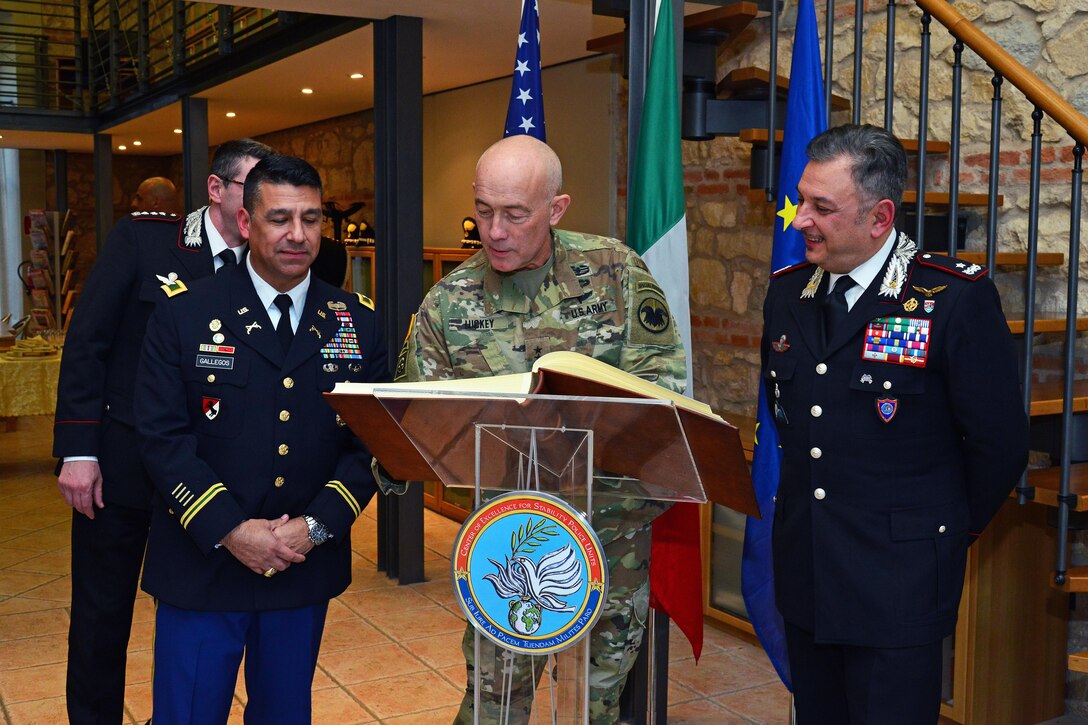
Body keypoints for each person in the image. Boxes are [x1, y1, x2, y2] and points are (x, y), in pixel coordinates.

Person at [390, 134, 685, 724]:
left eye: (515, 214)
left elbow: (666, 394)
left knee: (594, 706)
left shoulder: (615, 273)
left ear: (556, 209)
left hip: (610, 539)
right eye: (483, 210)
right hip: (508, 546)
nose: (494, 231)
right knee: (493, 705)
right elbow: (415, 427)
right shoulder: (446, 303)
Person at [760, 124, 1028, 723]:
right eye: (802, 199)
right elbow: (790, 421)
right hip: (807, 573)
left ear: (880, 217)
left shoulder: (951, 298)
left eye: (821, 207)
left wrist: (938, 532)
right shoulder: (787, 292)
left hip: (898, 582)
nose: (800, 219)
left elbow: (999, 446)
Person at [133, 154, 388, 724]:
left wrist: (314, 526)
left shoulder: (357, 321)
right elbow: (160, 435)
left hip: (300, 563)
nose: (298, 235)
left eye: (312, 219)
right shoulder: (185, 314)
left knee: (284, 715)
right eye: (279, 219)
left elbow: (370, 444)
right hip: (203, 562)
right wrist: (230, 529)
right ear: (246, 224)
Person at [52, 138, 274, 724]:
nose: (263, 204)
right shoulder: (145, 241)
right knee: (103, 615)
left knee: (194, 617)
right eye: (250, 188)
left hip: (208, 480)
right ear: (217, 190)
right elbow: (88, 346)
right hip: (122, 469)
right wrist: (78, 450)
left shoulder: (270, 259)